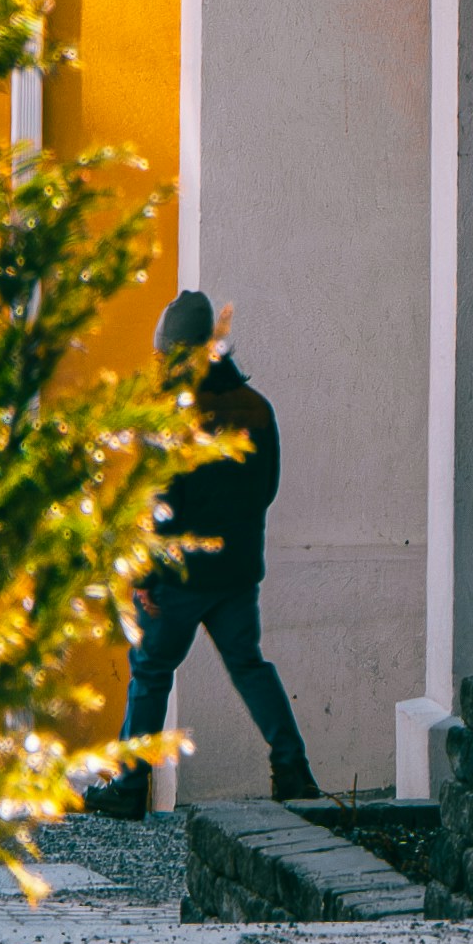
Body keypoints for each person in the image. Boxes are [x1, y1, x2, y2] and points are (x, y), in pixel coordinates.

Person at [94, 282, 320, 811]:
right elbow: (267, 489)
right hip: (237, 571)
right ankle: (294, 770)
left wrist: (145, 576)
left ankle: (129, 788)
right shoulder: (257, 408)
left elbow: (158, 501)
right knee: (249, 665)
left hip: (178, 576)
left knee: (150, 673)